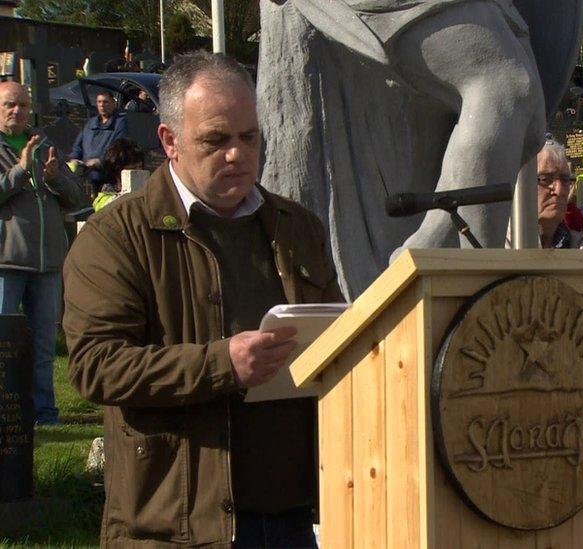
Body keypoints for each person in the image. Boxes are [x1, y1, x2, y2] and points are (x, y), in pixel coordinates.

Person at [62, 52, 343, 546]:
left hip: (295, 517)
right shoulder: (116, 237)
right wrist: (223, 365)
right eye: (215, 140)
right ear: (169, 141)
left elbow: (336, 335)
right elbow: (96, 365)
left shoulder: (296, 227)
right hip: (177, 524)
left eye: (249, 137)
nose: (236, 154)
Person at [0, 81, 87, 426]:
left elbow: (77, 198)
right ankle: (6, 415)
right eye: (9, 104)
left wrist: (54, 178)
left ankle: (45, 413)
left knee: (43, 346)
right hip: (6, 260)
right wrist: (21, 171)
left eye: (22, 104)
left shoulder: (43, 144)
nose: (17, 111)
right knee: (3, 345)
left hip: (47, 263)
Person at [512, 139, 583, 249]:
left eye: (565, 180)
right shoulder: (496, 247)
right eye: (545, 179)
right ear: (520, 185)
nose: (559, 190)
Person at [68, 90, 129, 185]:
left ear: (113, 103)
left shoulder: (120, 124)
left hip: (107, 177)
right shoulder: (90, 124)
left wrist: (100, 161)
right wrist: (74, 159)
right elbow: (77, 147)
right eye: (99, 102)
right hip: (85, 176)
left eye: (105, 102)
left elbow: (119, 150)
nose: (102, 105)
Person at [92, 137, 145, 211]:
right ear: (117, 172)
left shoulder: (147, 193)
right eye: (133, 169)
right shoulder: (103, 200)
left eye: (140, 167)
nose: (139, 172)